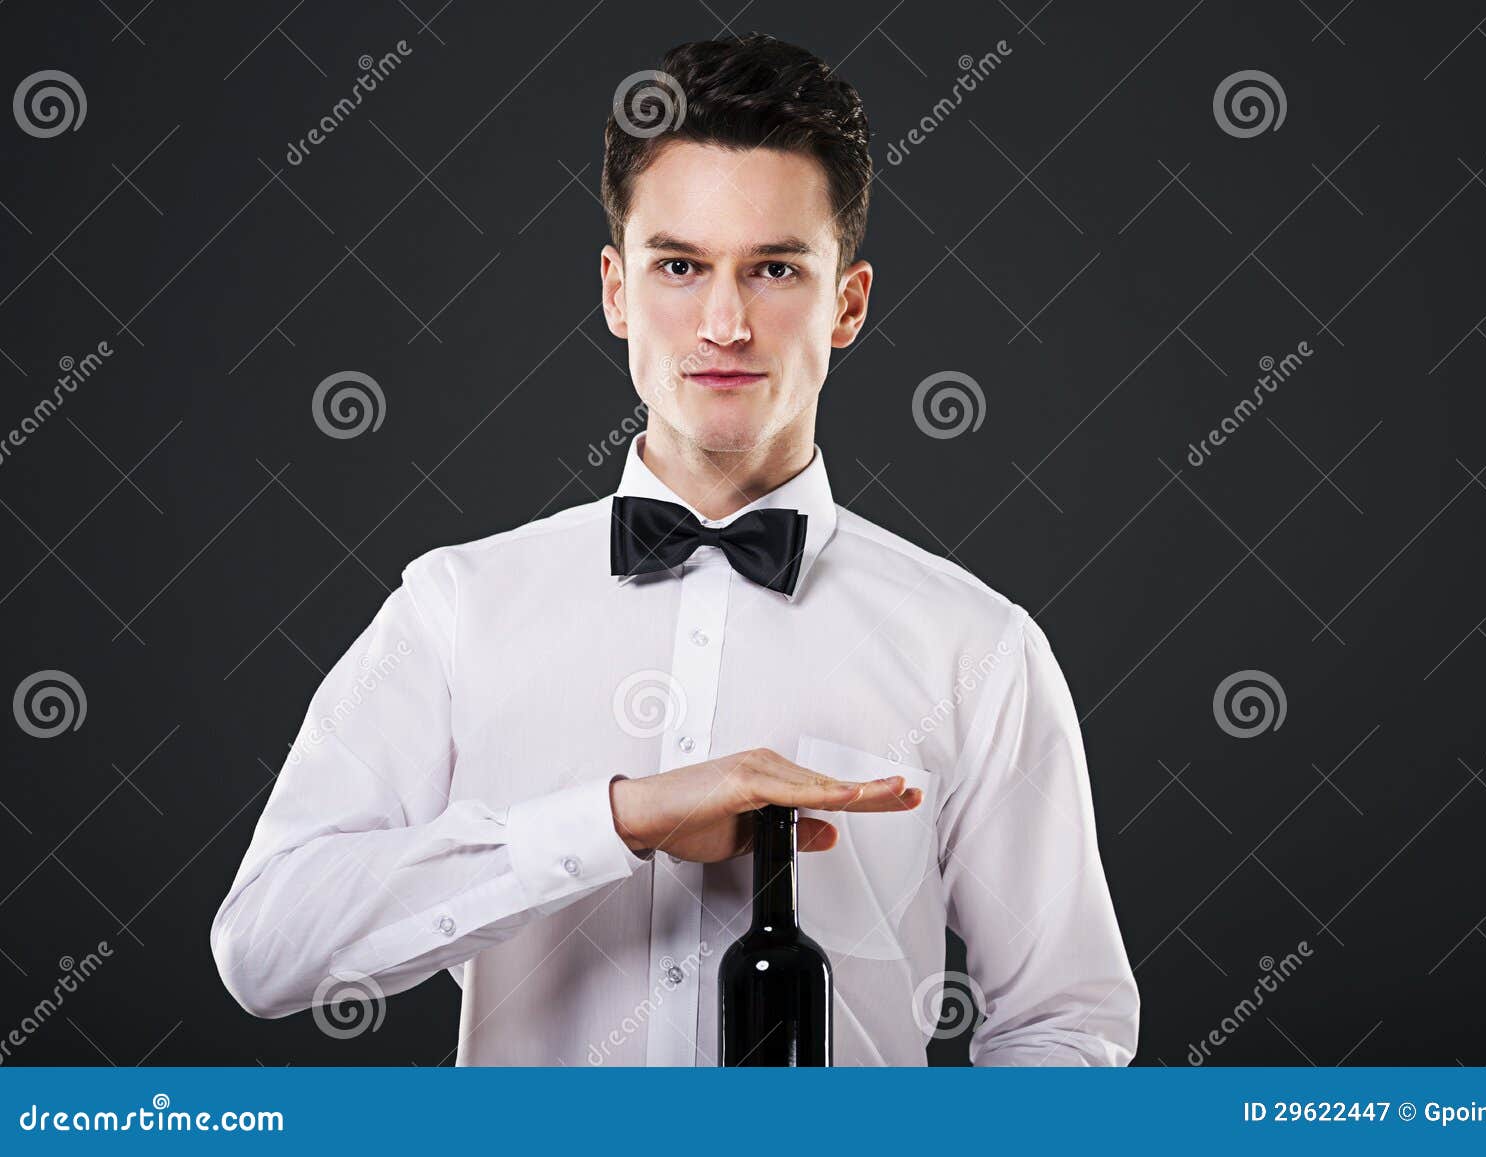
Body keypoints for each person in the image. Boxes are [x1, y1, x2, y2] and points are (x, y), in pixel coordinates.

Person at [211, 31, 1138, 1067]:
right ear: (616, 290)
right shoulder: (456, 607)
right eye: (681, 265)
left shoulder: (977, 646)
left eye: (775, 268)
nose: (726, 321)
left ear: (848, 303)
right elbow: (266, 947)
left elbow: (1068, 1023)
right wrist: (618, 820)